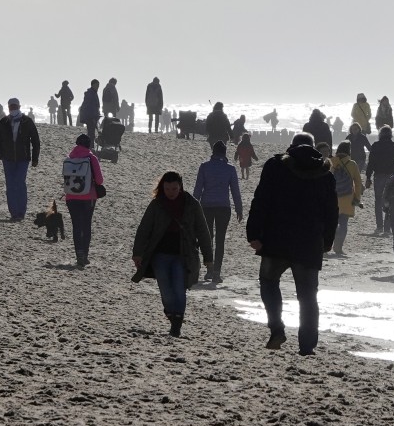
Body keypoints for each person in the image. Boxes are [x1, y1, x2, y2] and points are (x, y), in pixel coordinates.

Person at [246, 133, 338, 356]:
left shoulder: (276, 166)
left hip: (276, 239)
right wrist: (327, 241)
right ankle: (307, 346)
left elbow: (261, 199)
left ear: (291, 147)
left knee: (268, 282)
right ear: (314, 148)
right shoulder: (325, 173)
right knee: (307, 296)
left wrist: (253, 233)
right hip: (309, 243)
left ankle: (277, 328)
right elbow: (331, 211)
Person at [132, 171, 214, 338]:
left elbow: (203, 231)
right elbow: (144, 229)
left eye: (174, 189)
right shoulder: (157, 204)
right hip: (160, 255)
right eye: (167, 188)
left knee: (179, 288)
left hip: (183, 255)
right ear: (162, 187)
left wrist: (208, 257)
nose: (171, 192)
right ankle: (172, 315)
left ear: (181, 187)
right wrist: (138, 253)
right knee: (166, 291)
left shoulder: (191, 204)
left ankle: (176, 325)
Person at [193, 141, 243, 284]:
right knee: (220, 240)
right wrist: (239, 209)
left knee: (207, 238)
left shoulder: (204, 167)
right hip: (223, 207)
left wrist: (192, 206)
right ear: (225, 153)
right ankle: (216, 273)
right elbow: (235, 191)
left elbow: (198, 189)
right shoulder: (230, 169)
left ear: (213, 152)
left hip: (206, 206)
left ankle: (209, 267)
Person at [0, 97, 40, 222]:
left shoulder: (27, 121)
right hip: (8, 159)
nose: (13, 108)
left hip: (23, 159)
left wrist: (35, 158)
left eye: (15, 106)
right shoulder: (4, 121)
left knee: (19, 183)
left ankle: (21, 212)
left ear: (19, 107)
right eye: (11, 107)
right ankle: (14, 212)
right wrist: (1, 154)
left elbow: (35, 140)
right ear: (8, 108)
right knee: (10, 185)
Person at [64, 133, 104, 267]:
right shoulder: (91, 158)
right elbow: (99, 180)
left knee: (76, 225)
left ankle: (79, 254)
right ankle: (85, 255)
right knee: (86, 225)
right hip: (88, 196)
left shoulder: (69, 158)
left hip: (71, 196)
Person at [364, 126, 394, 235]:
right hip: (392, 176)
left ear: (380, 135)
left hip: (379, 176)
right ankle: (387, 228)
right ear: (390, 135)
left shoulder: (375, 146)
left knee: (378, 201)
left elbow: (371, 163)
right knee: (390, 201)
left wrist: (368, 177)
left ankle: (379, 227)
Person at [329, 141, 363, 255]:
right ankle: (338, 247)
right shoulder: (352, 164)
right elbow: (358, 183)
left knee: (331, 223)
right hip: (347, 198)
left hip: (332, 197)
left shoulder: (331, 162)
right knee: (343, 223)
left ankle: (327, 246)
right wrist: (357, 198)